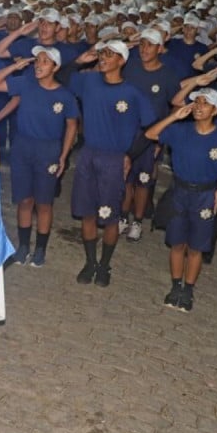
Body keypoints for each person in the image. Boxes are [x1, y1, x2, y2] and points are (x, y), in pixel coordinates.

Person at [141, 89, 217, 311]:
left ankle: (188, 289)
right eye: (196, 102)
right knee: (177, 242)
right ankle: (175, 285)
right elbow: (150, 134)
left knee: (196, 246)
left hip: (205, 194)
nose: (199, 106)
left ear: (215, 110)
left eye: (205, 103)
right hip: (180, 191)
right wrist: (174, 116)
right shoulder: (180, 130)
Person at [63, 41, 155, 286]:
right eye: (102, 53)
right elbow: (62, 77)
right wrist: (78, 62)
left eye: (110, 54)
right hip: (89, 154)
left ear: (121, 61)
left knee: (111, 216)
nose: (103, 58)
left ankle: (105, 265)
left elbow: (151, 129)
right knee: (87, 212)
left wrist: (130, 155)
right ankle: (90, 262)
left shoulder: (133, 93)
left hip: (114, 159)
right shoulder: (89, 81)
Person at [0, 46, 79, 266]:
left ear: (55, 67)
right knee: (24, 199)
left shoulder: (65, 95)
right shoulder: (26, 84)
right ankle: (22, 246)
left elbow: (71, 126)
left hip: (48, 149)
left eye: (45, 61)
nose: (39, 65)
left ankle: (40, 248)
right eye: (37, 60)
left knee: (44, 202)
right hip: (23, 146)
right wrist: (14, 66)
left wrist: (63, 155)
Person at [118, 27, 179, 241]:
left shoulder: (168, 75)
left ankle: (138, 221)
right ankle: (122, 217)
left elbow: (174, 107)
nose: (144, 49)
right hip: (126, 131)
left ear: (160, 49)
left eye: (150, 45)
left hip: (150, 136)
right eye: (142, 44)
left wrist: (162, 138)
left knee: (143, 181)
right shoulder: (129, 67)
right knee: (125, 176)